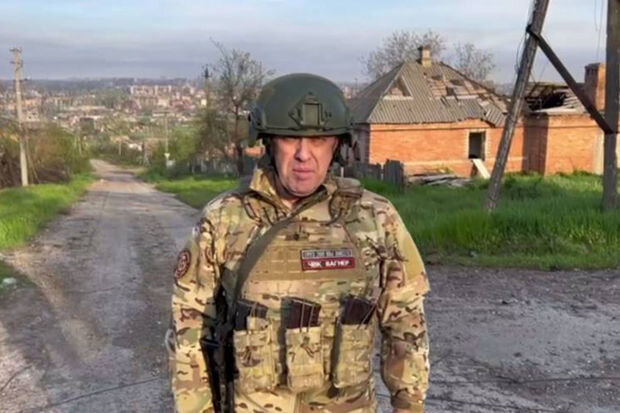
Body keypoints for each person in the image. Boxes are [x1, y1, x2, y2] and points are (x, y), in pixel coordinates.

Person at [167, 73, 430, 413]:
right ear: (269, 143)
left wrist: (409, 406)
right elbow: (188, 329)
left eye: (319, 140)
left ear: (338, 146)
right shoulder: (224, 219)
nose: (304, 154)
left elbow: (406, 325)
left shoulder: (376, 219)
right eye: (290, 139)